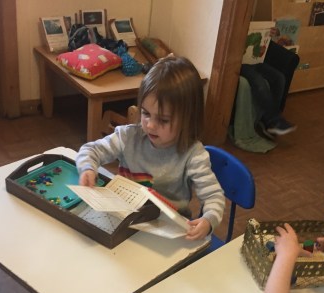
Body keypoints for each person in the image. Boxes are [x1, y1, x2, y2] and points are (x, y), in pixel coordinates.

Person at [76, 56, 225, 241]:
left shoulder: (193, 154)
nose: (150, 125)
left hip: (169, 232)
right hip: (126, 220)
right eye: (145, 113)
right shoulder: (128, 136)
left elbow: (214, 196)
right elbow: (90, 150)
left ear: (188, 119)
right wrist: (88, 168)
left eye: (163, 120)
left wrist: (208, 220)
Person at [240, 62, 297, 137]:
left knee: (279, 78)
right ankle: (274, 121)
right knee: (259, 82)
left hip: (255, 63)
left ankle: (270, 122)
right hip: (240, 65)